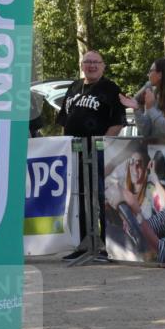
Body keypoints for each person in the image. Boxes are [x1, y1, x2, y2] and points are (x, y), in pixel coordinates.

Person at [57, 50, 128, 260]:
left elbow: (117, 122)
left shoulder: (110, 88)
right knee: (78, 199)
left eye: (96, 62)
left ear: (103, 66)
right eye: (87, 62)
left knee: (101, 197)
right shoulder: (74, 87)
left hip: (98, 152)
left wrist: (101, 146)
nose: (92, 65)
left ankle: (107, 246)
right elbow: (64, 120)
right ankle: (83, 244)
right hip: (75, 152)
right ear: (81, 65)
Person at [121, 59, 165, 140]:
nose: (148, 74)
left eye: (150, 71)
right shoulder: (154, 95)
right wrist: (136, 109)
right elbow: (145, 131)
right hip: (154, 148)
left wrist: (150, 108)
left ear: (160, 75)